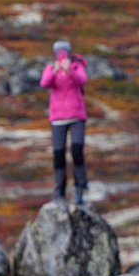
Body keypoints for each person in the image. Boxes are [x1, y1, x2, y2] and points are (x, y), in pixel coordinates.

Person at [41, 40, 90, 204]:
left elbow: (83, 80)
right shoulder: (50, 68)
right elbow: (44, 83)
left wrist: (70, 70)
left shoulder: (77, 67)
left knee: (77, 150)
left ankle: (80, 187)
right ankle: (59, 190)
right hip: (57, 118)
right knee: (58, 154)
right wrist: (55, 71)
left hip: (76, 116)